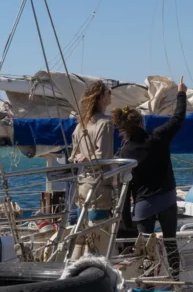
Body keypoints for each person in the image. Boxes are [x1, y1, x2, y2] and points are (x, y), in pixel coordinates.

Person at [116, 77, 187, 279]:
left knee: (145, 247)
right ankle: (175, 279)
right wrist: (181, 93)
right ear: (141, 122)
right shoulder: (158, 137)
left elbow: (126, 187)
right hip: (166, 199)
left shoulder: (125, 151)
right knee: (170, 241)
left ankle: (147, 283)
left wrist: (126, 218)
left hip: (143, 205)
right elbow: (178, 118)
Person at [70, 80, 115, 258]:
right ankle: (97, 266)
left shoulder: (80, 125)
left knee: (83, 229)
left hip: (82, 185)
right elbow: (104, 155)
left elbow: (73, 156)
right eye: (109, 92)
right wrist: (90, 158)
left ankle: (76, 263)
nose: (111, 95)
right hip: (99, 185)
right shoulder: (105, 123)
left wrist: (83, 158)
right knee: (98, 229)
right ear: (102, 97)